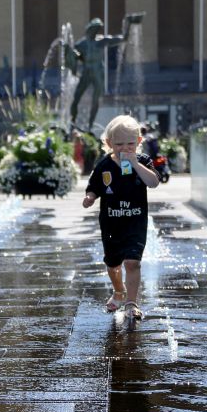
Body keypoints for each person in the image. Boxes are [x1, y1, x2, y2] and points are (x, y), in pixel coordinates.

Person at [81, 114, 160, 320]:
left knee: (133, 262)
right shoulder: (104, 165)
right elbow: (95, 187)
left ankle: (132, 302)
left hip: (135, 222)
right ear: (108, 143)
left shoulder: (142, 161)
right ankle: (118, 291)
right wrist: (90, 197)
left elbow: (153, 182)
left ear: (139, 142)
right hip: (111, 224)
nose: (125, 148)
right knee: (113, 264)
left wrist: (135, 163)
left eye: (130, 143)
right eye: (119, 144)